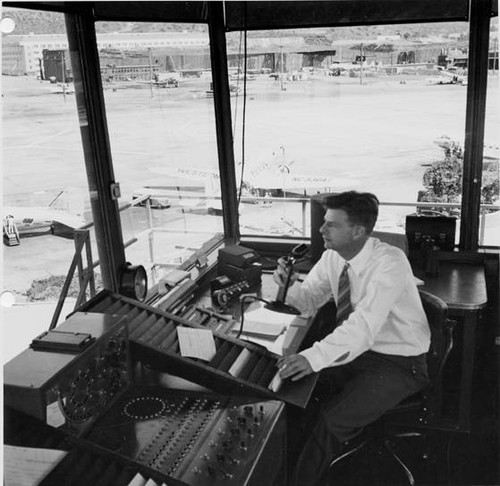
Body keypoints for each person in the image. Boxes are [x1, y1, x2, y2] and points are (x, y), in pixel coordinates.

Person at [273, 191, 431, 486]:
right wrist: (288, 286)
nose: (321, 230)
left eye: (330, 224)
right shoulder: (334, 257)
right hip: (360, 353)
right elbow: (309, 299)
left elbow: (363, 326)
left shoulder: (390, 262)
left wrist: (313, 357)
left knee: (331, 421)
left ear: (357, 231)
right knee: (293, 392)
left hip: (399, 363)